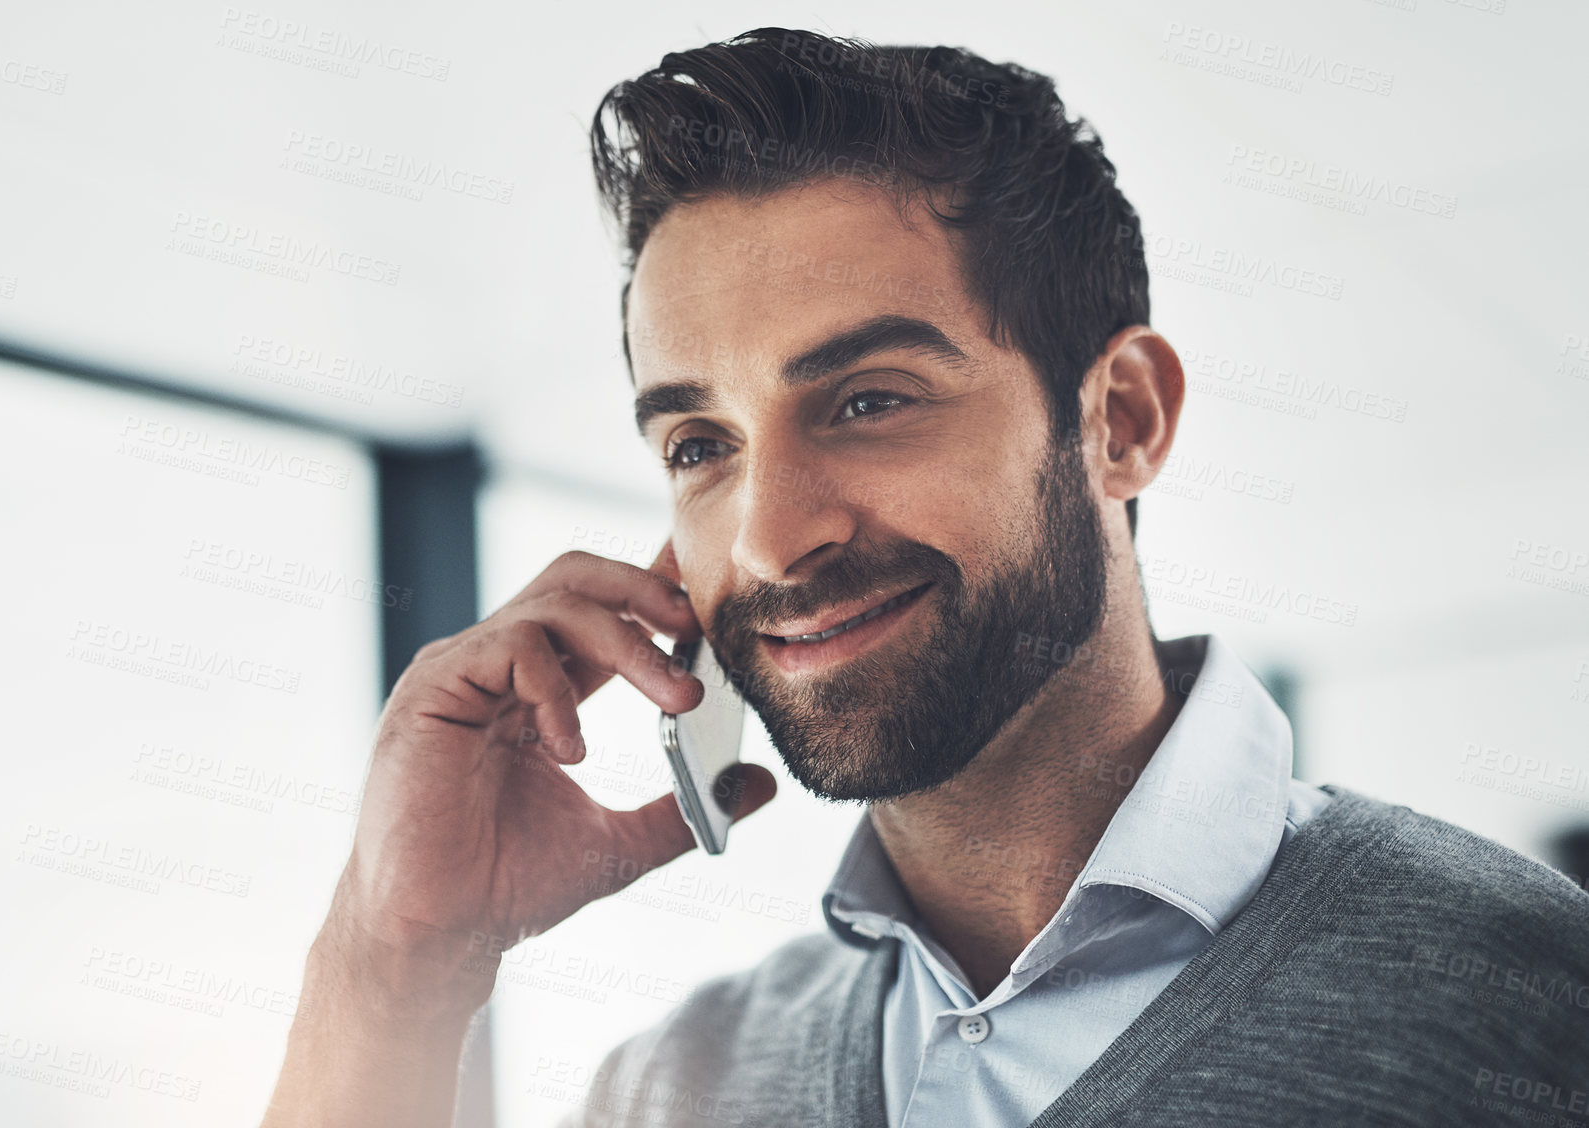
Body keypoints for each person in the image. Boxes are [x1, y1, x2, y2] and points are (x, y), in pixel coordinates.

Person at [261, 27, 1589, 1128]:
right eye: (701, 444)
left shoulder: (1537, 1005)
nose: (774, 539)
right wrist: (396, 971)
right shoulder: (669, 1092)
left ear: (1117, 420)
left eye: (867, 400)